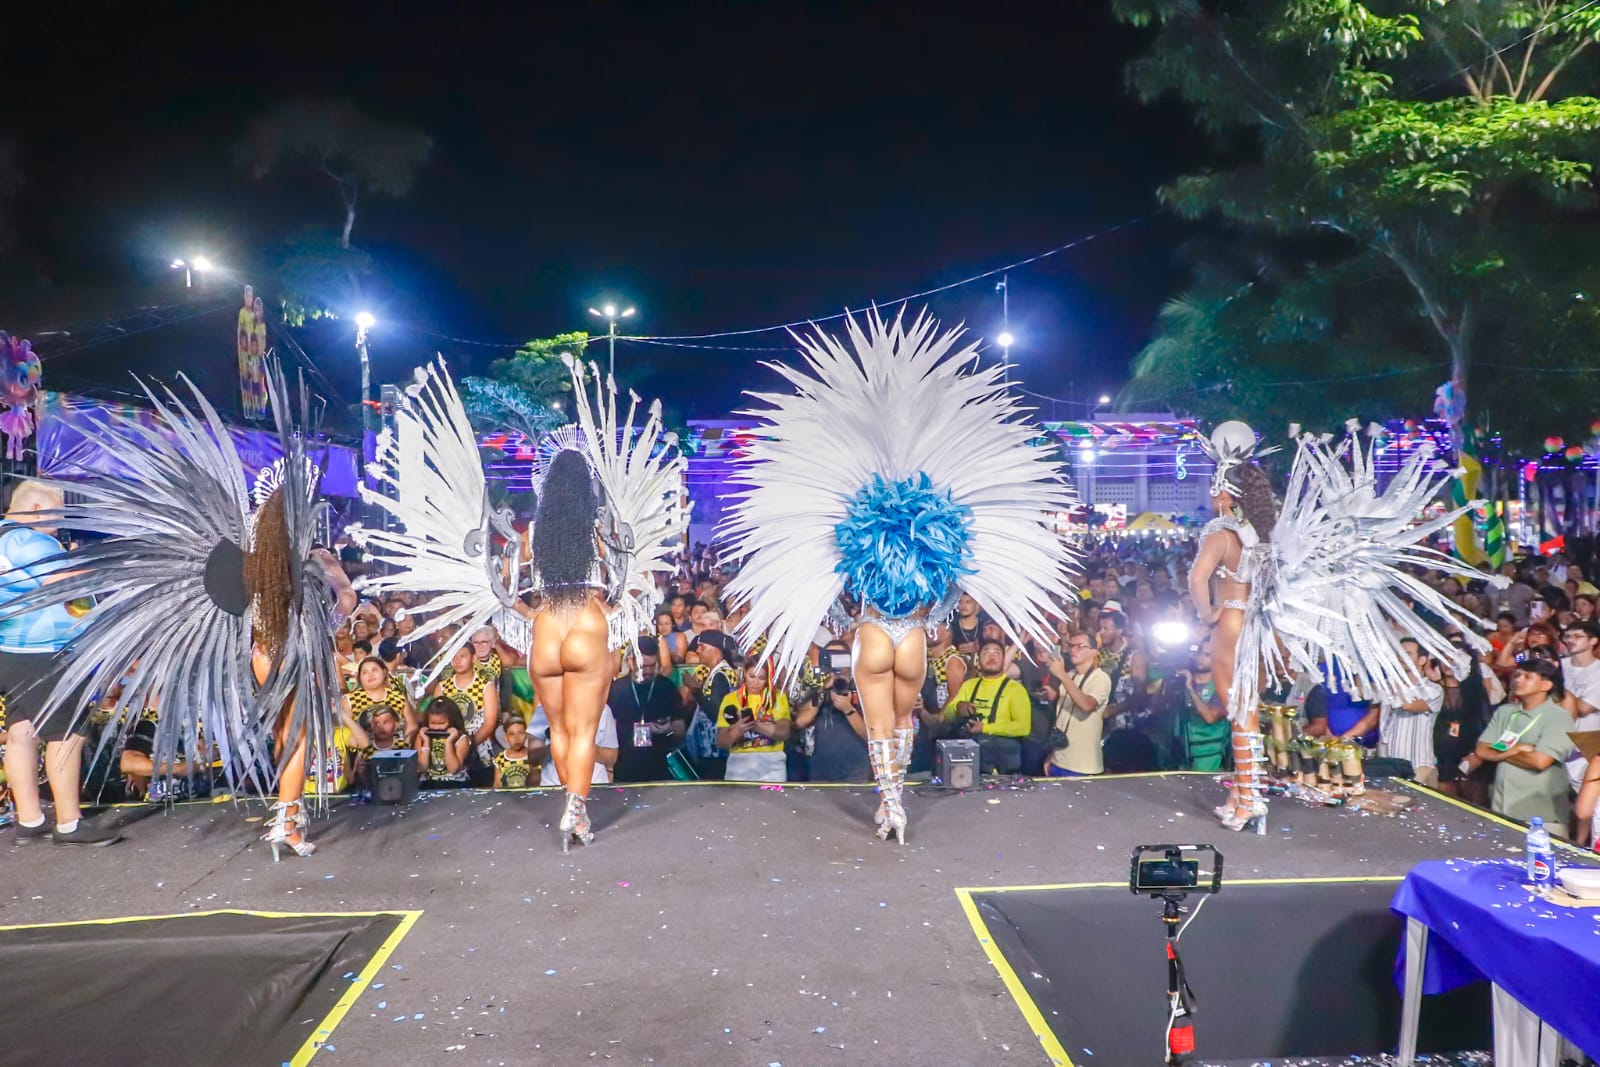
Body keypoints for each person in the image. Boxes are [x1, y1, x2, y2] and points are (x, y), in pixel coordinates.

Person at [722, 309, 1076, 843]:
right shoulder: (934, 533)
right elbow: (955, 584)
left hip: (871, 631)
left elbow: (833, 587)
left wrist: (850, 618)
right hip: (911, 634)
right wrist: (932, 617)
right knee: (906, 721)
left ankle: (889, 803)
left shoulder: (857, 527)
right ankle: (898, 804)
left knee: (879, 725)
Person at [0, 481, 112, 844]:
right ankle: (69, 822)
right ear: (35, 509)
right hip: (45, 652)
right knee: (67, 734)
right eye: (57, 513)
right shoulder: (34, 541)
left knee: (22, 731)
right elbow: (65, 585)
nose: (60, 521)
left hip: (11, 650)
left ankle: (29, 820)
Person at [1474, 657, 1573, 833]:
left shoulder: (1558, 717)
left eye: (1527, 677)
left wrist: (1498, 749)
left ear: (1546, 685)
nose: (1518, 680)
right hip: (1501, 807)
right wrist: (1518, 749)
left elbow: (1540, 762)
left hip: (1540, 815)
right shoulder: (1505, 711)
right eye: (1517, 675)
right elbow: (1481, 750)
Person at [943, 638, 1033, 774]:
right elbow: (947, 716)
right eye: (986, 653)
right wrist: (958, 707)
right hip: (968, 763)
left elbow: (1023, 728)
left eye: (997, 653)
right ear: (978, 660)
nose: (991, 657)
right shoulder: (969, 685)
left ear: (1004, 660)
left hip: (1003, 765)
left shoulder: (1016, 689)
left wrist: (984, 728)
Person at [608, 637, 684, 782]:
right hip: (624, 767)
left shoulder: (666, 687)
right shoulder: (616, 689)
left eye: (652, 666)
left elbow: (680, 729)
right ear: (631, 661)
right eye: (643, 666)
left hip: (659, 768)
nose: (648, 671)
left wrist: (668, 730)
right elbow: (608, 728)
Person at [1040, 632, 1113, 776]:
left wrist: (1061, 674)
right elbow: (1061, 719)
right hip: (1058, 760)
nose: (1073, 650)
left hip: (1083, 766)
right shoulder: (1071, 674)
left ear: (1093, 652)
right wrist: (1051, 756)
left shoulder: (1101, 678)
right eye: (1071, 646)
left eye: (1079, 646)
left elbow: (1086, 705)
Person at [1378, 638, 1444, 787]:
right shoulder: (1387, 686)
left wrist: (1396, 678)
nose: (1401, 658)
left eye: (1407, 654)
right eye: (1399, 653)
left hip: (1418, 767)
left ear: (1422, 660)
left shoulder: (1433, 689)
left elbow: (1408, 705)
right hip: (1388, 761)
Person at [433, 643, 500, 786]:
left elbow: (490, 723)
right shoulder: (442, 687)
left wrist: (468, 744)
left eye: (462, 656)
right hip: (448, 751)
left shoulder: (486, 686)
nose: (457, 661)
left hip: (480, 753)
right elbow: (434, 718)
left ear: (474, 658)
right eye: (454, 657)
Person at [717, 662, 792, 782]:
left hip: (772, 766)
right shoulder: (730, 699)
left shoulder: (778, 697)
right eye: (752, 676)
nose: (756, 682)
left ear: (768, 678)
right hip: (739, 766)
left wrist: (756, 725)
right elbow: (721, 742)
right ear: (744, 675)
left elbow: (784, 733)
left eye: (761, 678)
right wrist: (737, 731)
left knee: (772, 801)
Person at [797, 675, 870, 782]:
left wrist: (848, 709)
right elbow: (800, 721)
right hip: (821, 769)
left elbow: (871, 735)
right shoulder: (820, 692)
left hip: (855, 770)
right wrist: (822, 690)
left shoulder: (866, 690)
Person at [416, 698, 471, 786]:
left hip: (454, 783)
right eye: (433, 723)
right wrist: (426, 741)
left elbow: (453, 769)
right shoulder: (422, 737)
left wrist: (449, 742)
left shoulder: (461, 739)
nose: (436, 728)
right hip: (429, 782)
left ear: (451, 720)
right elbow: (422, 767)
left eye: (441, 723)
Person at [492, 718, 537, 789]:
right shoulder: (500, 759)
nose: (516, 738)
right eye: (511, 734)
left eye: (520, 733)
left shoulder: (534, 756)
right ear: (506, 738)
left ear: (526, 735)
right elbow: (497, 785)